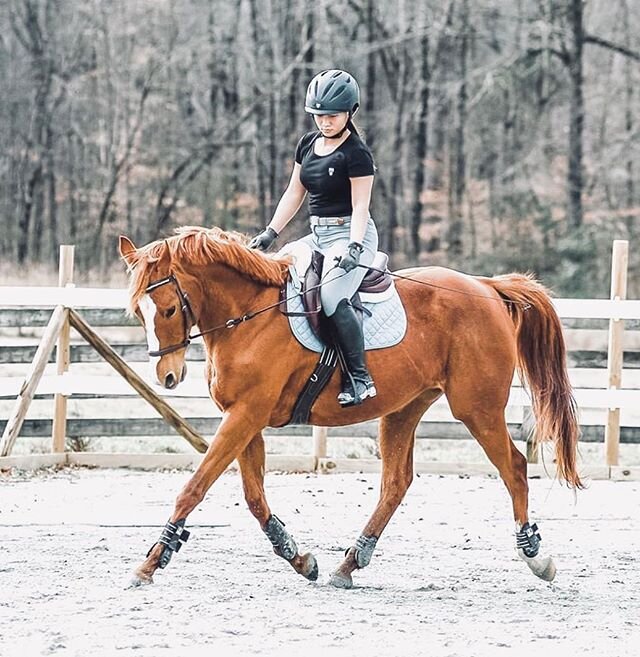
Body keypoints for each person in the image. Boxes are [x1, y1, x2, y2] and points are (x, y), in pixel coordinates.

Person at [249, 69, 379, 407]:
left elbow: (361, 204)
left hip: (352, 233)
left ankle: (360, 378)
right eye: (318, 115)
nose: (324, 122)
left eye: (332, 116)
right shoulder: (307, 143)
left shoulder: (356, 153)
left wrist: (354, 244)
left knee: (333, 298)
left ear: (350, 112)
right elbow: (294, 193)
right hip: (317, 235)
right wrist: (270, 232)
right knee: (277, 275)